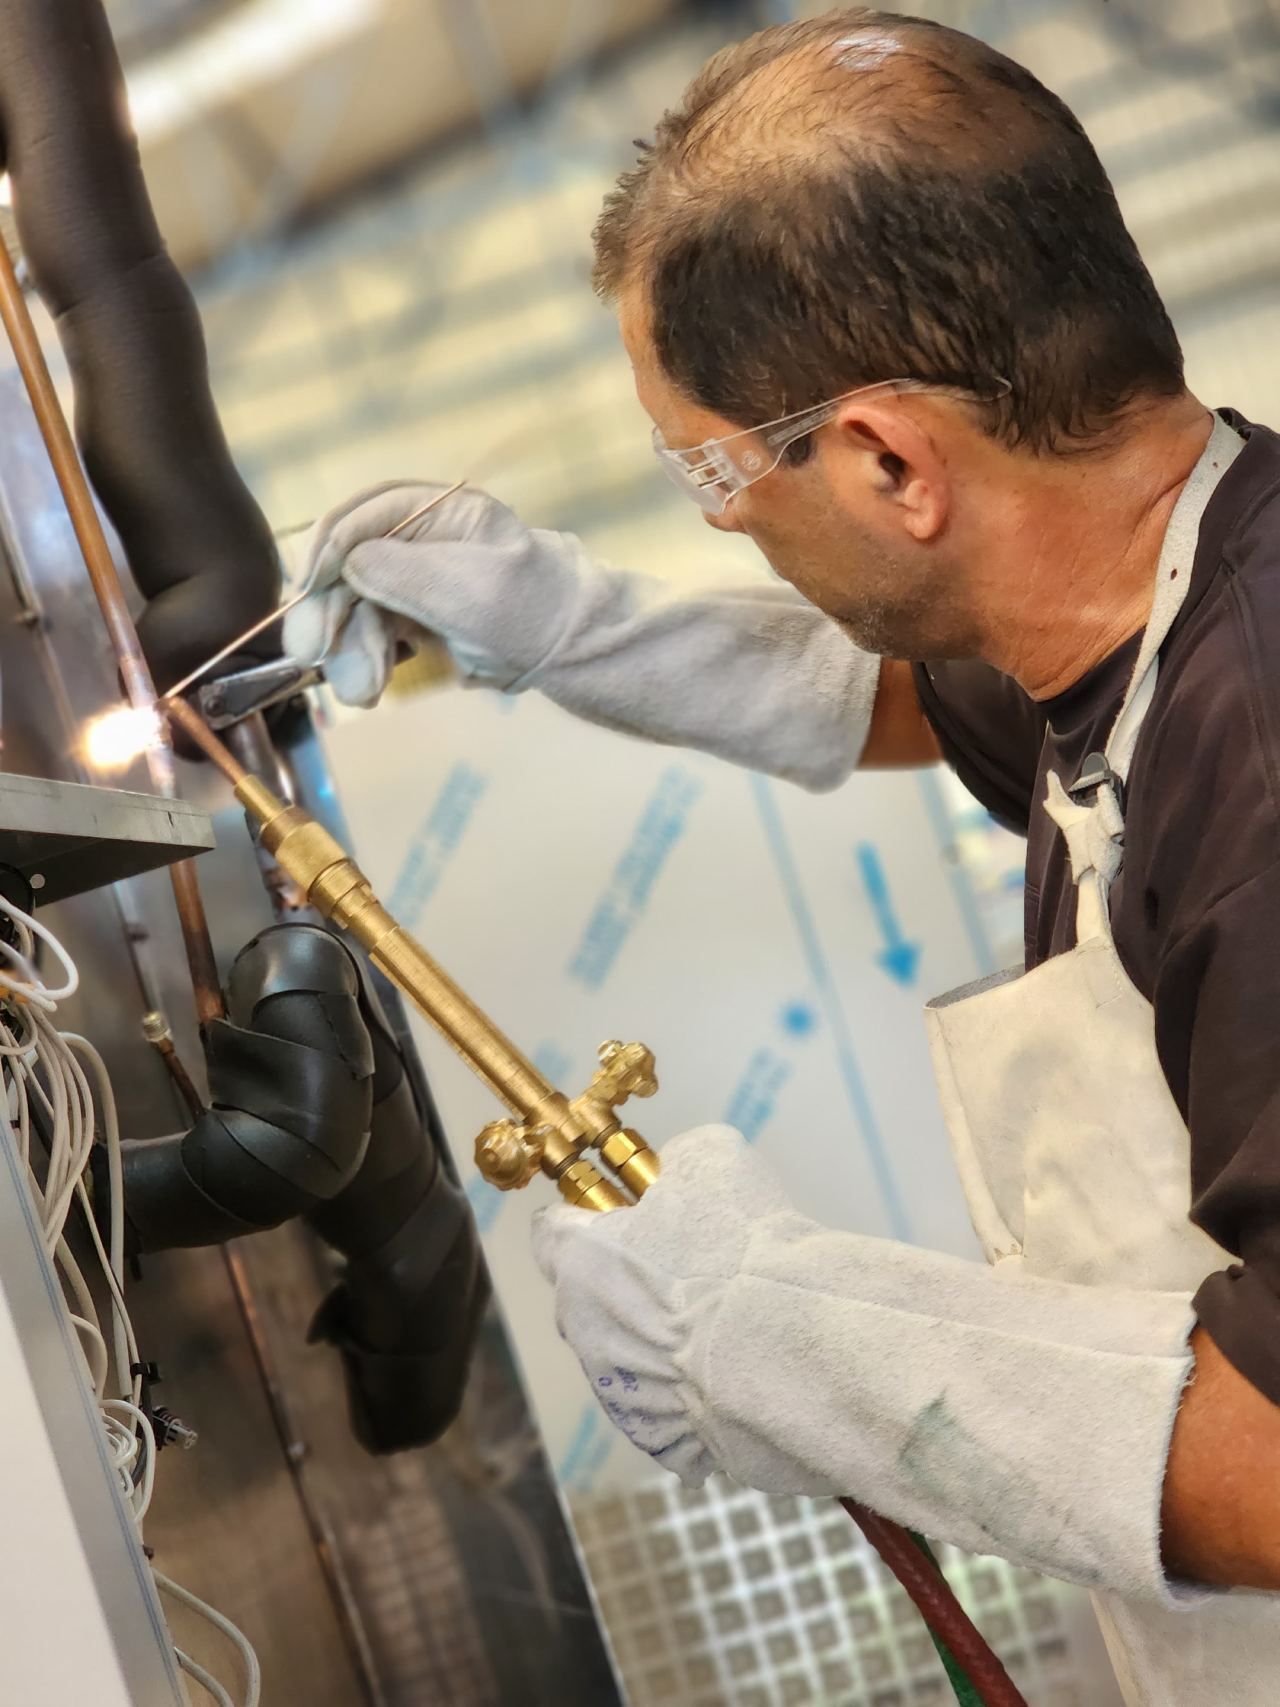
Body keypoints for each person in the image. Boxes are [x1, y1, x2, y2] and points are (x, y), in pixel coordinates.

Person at [286, 11, 1280, 1702]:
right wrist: (577, 631)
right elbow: (916, 687)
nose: (721, 511)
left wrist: (791, 1341)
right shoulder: (1141, 597)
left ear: (892, 457)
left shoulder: (1257, 765)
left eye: (712, 466)